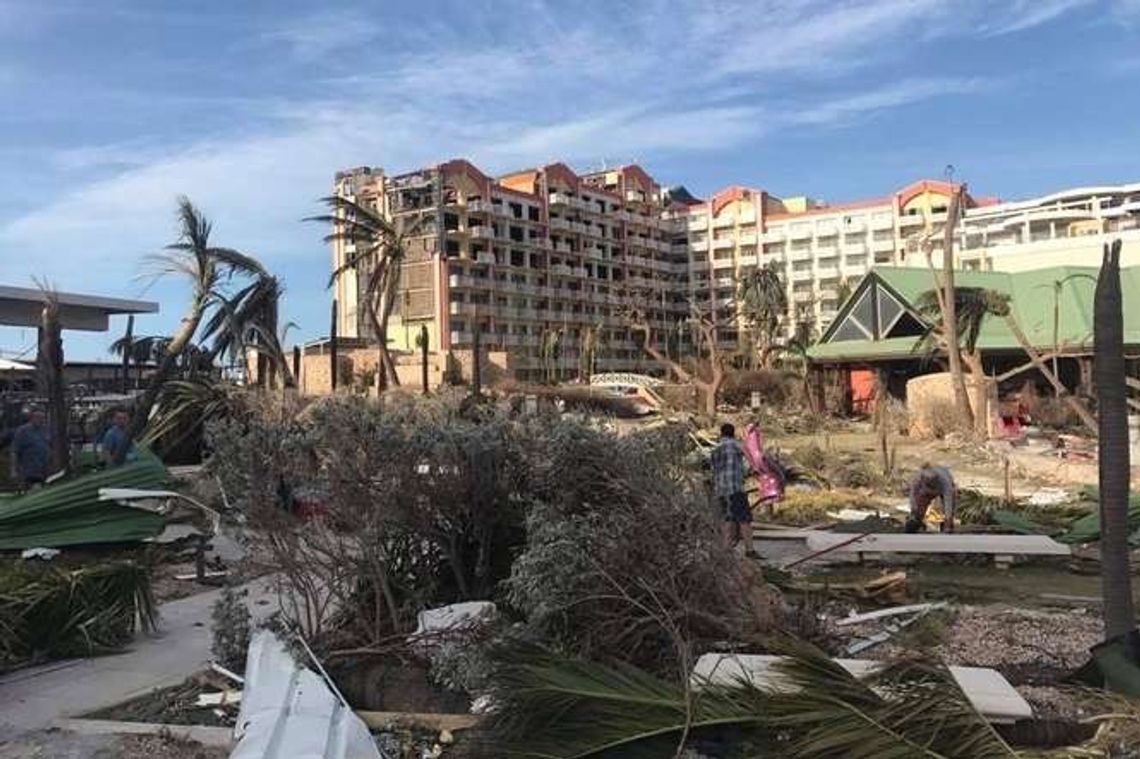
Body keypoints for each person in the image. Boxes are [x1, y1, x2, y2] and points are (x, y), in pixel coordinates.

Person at [710, 422, 753, 553]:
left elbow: (712, 468)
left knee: (727, 518)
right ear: (733, 433)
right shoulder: (735, 445)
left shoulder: (715, 448)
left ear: (721, 433)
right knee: (744, 519)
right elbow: (750, 459)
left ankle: (726, 550)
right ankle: (750, 550)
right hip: (735, 488)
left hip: (721, 490)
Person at [742, 424, 784, 517]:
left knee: (768, 488)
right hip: (762, 467)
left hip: (761, 467)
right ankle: (769, 512)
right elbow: (755, 450)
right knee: (771, 486)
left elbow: (752, 451)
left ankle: (769, 512)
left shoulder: (750, 437)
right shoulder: (753, 435)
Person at [905, 463, 958, 533]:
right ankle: (917, 522)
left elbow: (948, 502)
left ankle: (948, 526)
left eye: (931, 482)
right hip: (924, 491)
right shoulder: (917, 479)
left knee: (950, 510)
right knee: (919, 504)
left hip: (942, 489)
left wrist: (948, 519)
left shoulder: (945, 482)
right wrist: (914, 509)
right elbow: (912, 495)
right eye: (928, 482)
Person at [11, 408, 51, 488]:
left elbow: (48, 447)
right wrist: (14, 470)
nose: (41, 420)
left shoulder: (45, 430)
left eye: (42, 418)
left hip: (44, 470)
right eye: (38, 417)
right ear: (32, 418)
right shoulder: (22, 431)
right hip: (29, 470)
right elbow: (15, 451)